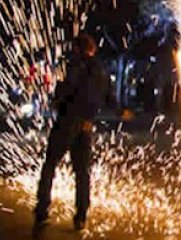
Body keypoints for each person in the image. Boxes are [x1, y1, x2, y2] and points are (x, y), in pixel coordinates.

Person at [34, 32, 108, 233]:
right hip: (86, 125)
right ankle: (81, 215)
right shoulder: (100, 69)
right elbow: (101, 97)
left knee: (50, 164)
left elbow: (69, 90)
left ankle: (42, 211)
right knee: (82, 172)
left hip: (68, 121)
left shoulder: (77, 65)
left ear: (78, 49)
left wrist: (59, 100)